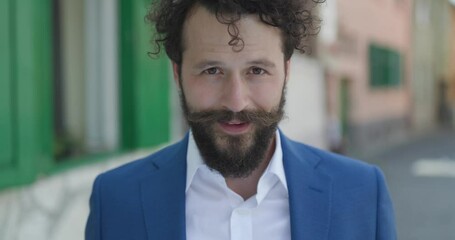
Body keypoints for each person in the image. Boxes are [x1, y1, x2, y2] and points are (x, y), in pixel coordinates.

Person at [85, 0, 397, 239]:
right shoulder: (115, 200)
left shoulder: (361, 194)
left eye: (257, 71)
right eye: (212, 71)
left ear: (287, 71)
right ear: (177, 73)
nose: (236, 100)